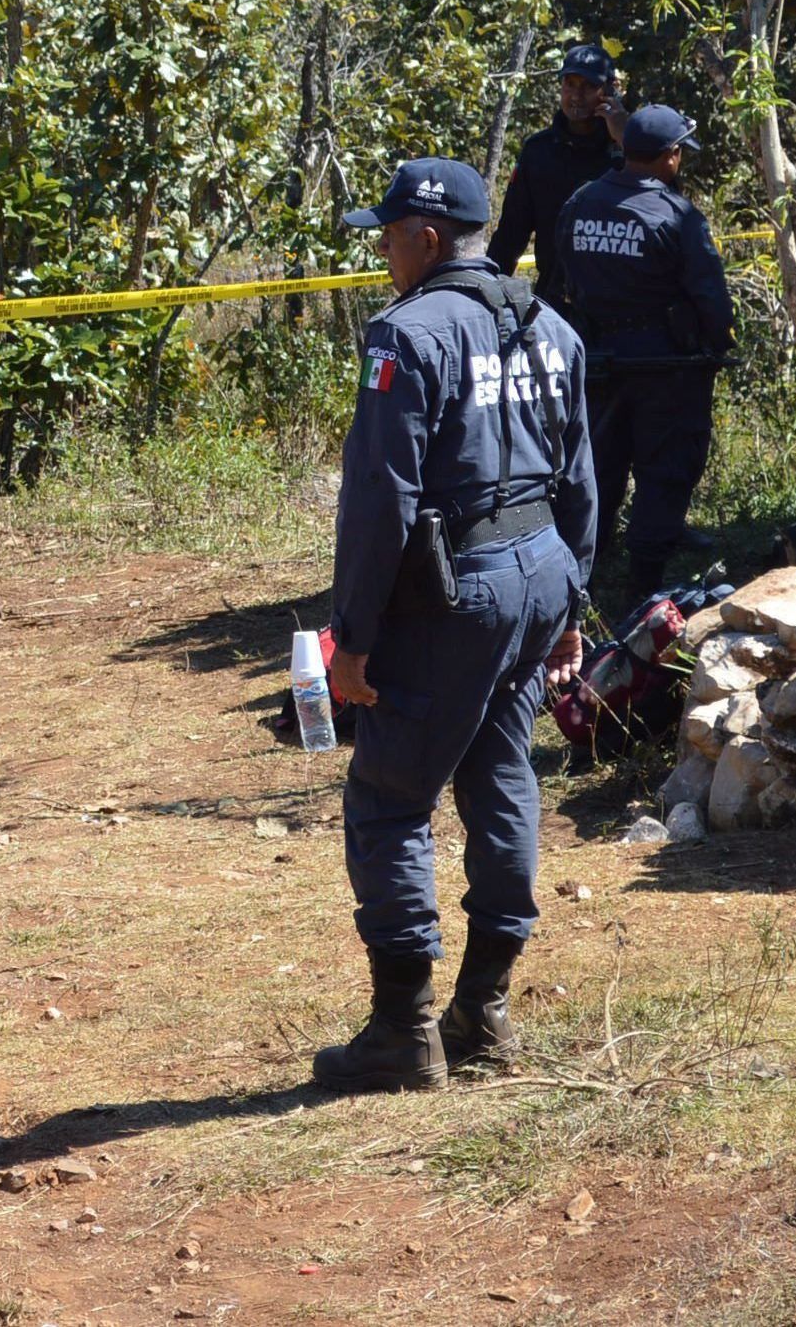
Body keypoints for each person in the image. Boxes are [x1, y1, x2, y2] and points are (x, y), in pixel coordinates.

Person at [316, 158, 594, 1095]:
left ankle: (404, 1032)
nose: (383, 255)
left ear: (428, 239)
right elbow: (580, 479)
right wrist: (569, 610)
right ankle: (486, 1006)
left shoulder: (408, 333)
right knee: (500, 770)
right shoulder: (550, 325)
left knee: (391, 797)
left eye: (389, 236)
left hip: (456, 592)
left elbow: (378, 502)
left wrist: (350, 636)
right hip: (539, 574)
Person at [556, 104, 732, 603]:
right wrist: (715, 347)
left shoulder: (580, 202)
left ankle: (582, 579)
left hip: (596, 363)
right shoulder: (678, 216)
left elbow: (564, 277)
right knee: (665, 470)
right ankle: (643, 590)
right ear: (671, 157)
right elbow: (712, 301)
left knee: (596, 467)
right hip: (667, 369)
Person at [490, 43, 624, 306]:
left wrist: (625, 138)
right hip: (555, 301)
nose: (576, 95)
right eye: (570, 84)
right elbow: (510, 235)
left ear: (608, 90)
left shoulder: (627, 149)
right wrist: (487, 295)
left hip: (619, 304)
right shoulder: (538, 151)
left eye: (587, 86)